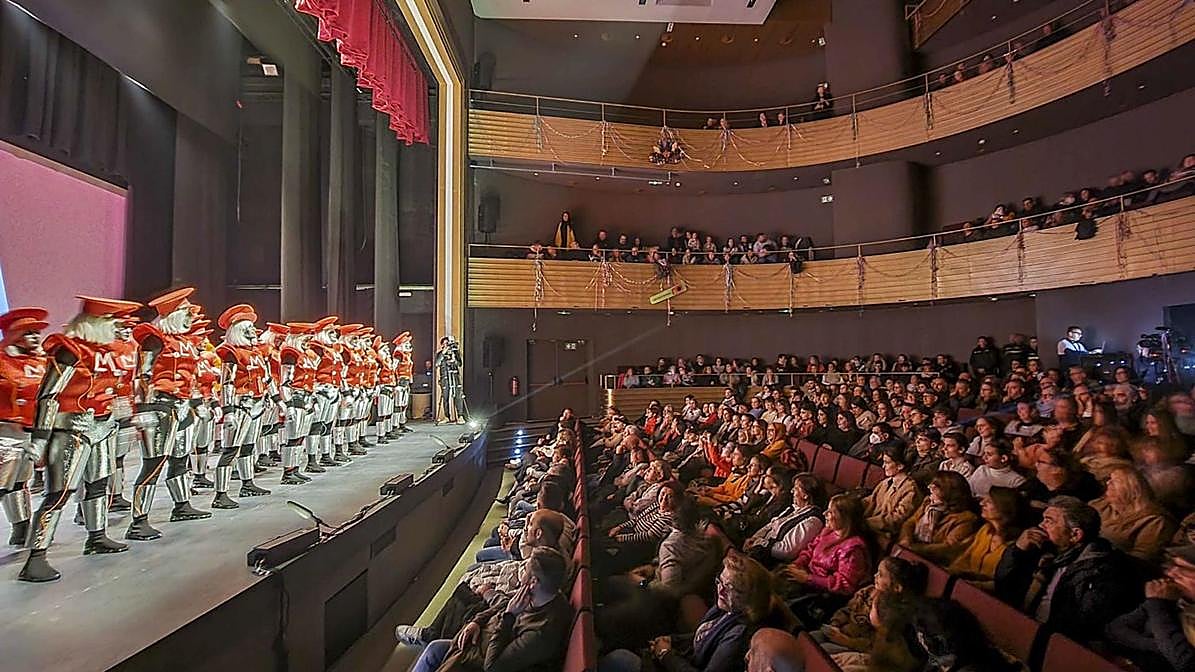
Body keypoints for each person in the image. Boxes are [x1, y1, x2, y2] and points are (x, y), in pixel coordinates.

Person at [18, 296, 143, 582]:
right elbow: (48, 396)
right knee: (59, 493)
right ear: (96, 323)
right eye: (112, 321)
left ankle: (97, 535)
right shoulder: (69, 350)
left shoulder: (109, 350)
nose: (117, 327)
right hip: (71, 428)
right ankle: (36, 555)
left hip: (103, 425)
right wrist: (40, 437)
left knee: (99, 484)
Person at [995, 496, 1138, 644]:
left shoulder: (1101, 571)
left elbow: (1080, 626)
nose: (1040, 525)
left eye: (1049, 521)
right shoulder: (1043, 550)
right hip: (1023, 625)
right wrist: (1018, 551)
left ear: (1075, 535)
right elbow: (1004, 588)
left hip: (1052, 642)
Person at [599, 552, 775, 672]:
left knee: (619, 659)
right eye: (720, 582)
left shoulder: (738, 636)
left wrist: (666, 655)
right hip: (678, 657)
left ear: (751, 597)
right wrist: (671, 640)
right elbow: (702, 634)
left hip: (676, 664)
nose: (720, 591)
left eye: (731, 588)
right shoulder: (728, 606)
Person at [409, 547, 571, 672]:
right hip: (481, 639)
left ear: (534, 581)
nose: (521, 574)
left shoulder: (540, 633)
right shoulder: (547, 594)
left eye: (525, 570)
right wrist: (477, 622)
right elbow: (505, 603)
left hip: (480, 659)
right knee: (437, 645)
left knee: (434, 652)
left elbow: (492, 667)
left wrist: (509, 616)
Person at [0, 307, 49, 546]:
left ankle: (21, 529)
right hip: (6, 431)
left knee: (21, 482)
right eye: (28, 333)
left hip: (33, 430)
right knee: (2, 483)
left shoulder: (43, 361)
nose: (35, 338)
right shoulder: (1, 361)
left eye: (36, 333)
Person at [1107, 544, 1195, 672]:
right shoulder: (1171, 598)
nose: (1171, 573)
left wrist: (1158, 604)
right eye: (1173, 566)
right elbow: (1115, 628)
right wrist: (1162, 646)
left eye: (1184, 569)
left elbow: (1187, 664)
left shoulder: (1161, 603)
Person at [1089, 465, 1177, 563]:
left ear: (1132, 488)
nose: (1108, 482)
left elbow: (1142, 559)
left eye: (1115, 480)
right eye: (1109, 479)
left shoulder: (1155, 521)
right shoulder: (1098, 505)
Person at [947, 487, 1026, 592]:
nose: (981, 503)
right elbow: (965, 558)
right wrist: (948, 574)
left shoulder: (1017, 546)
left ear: (1005, 508)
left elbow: (1001, 583)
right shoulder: (985, 530)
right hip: (963, 586)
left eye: (988, 502)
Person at [897, 471, 981, 565]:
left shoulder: (966, 519)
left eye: (935, 488)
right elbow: (911, 522)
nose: (930, 489)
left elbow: (948, 548)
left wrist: (914, 548)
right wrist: (906, 539)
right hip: (912, 550)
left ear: (949, 493)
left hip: (934, 562)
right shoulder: (929, 502)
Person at [861, 447, 923, 549]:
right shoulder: (886, 482)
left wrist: (866, 523)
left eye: (887, 462)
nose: (883, 466)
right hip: (871, 526)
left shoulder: (910, 489)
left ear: (900, 466)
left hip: (885, 535)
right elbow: (870, 500)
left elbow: (896, 519)